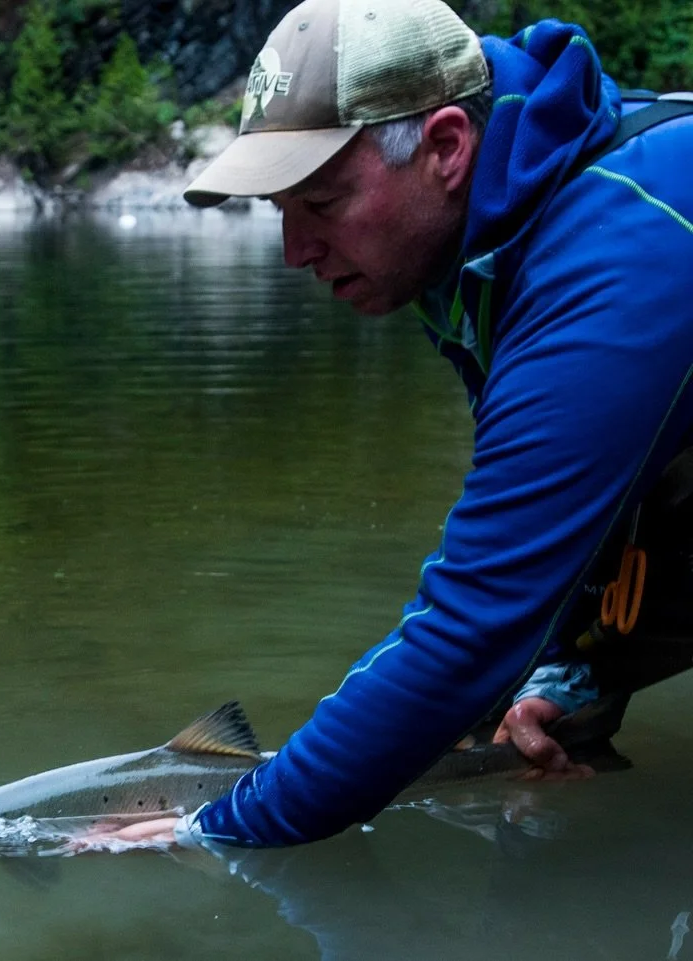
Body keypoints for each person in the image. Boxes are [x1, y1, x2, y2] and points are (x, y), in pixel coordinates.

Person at [90, 0, 693, 850]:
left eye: (323, 202)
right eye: (279, 211)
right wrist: (564, 667)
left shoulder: (621, 257)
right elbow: (574, 514)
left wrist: (209, 831)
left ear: (446, 147)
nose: (295, 249)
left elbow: (466, 627)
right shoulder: (479, 240)